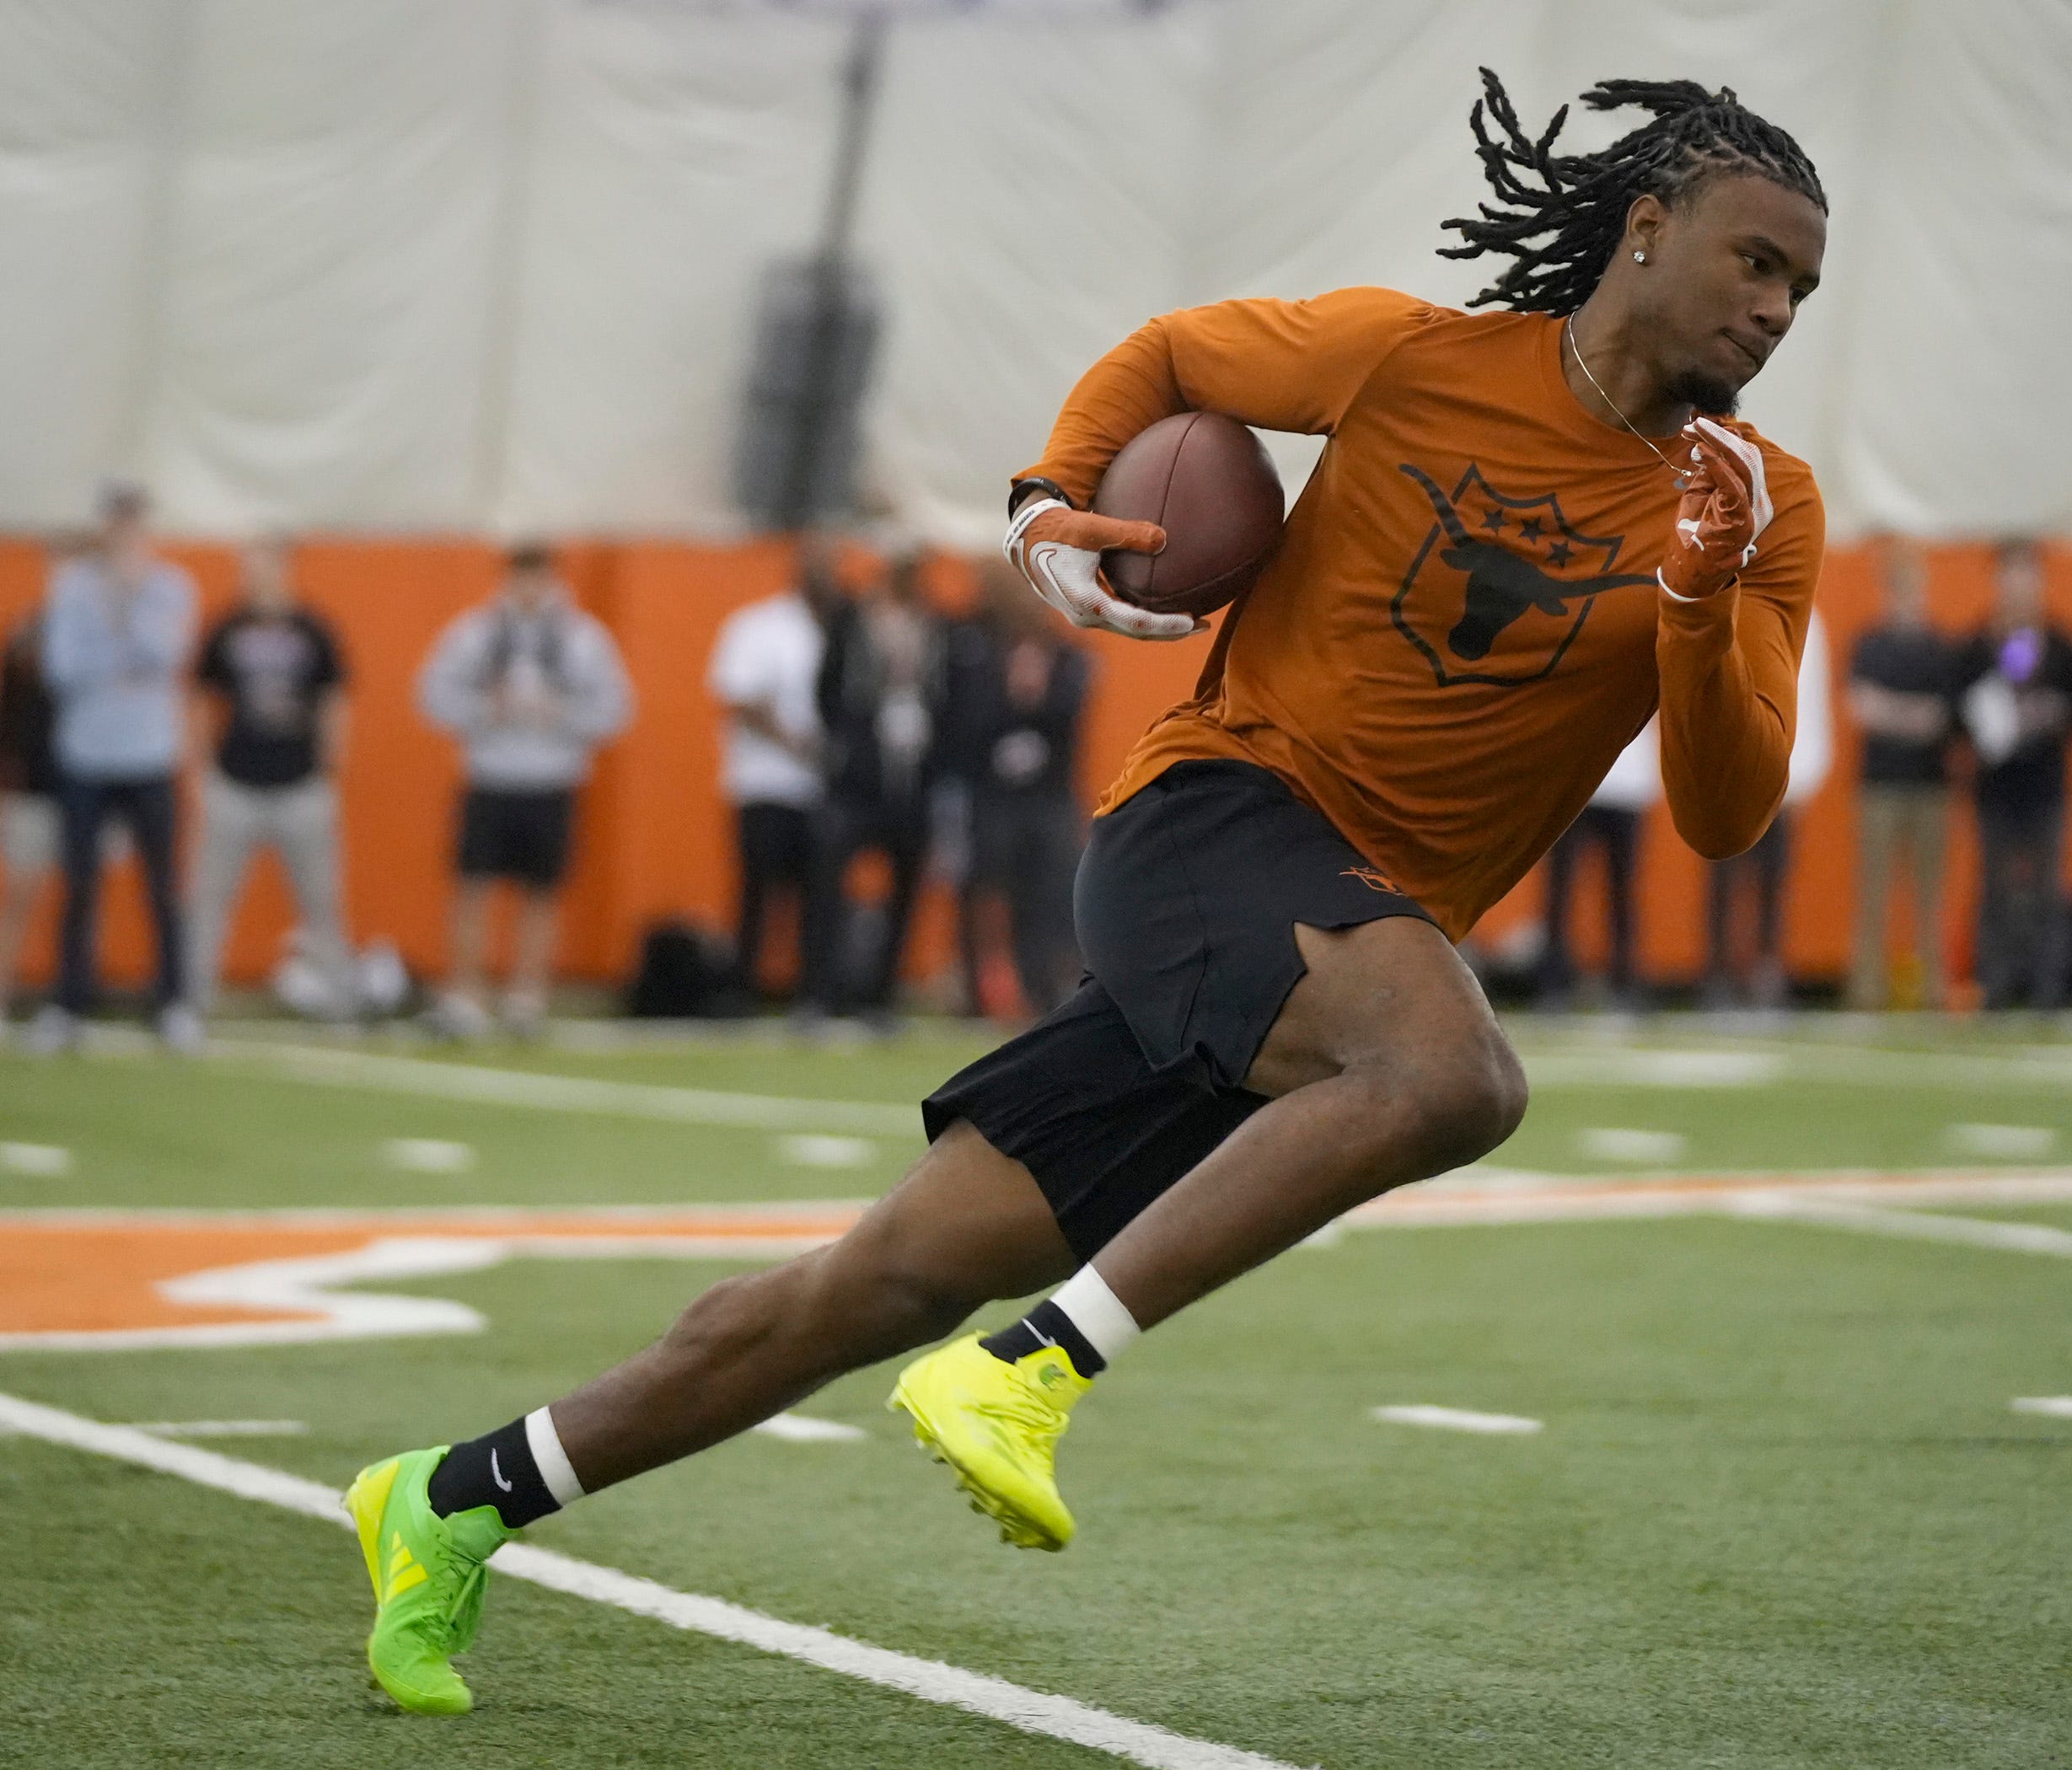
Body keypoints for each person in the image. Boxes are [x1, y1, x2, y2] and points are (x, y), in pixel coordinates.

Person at [347, 69, 1828, 1716]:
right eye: (1755, 261)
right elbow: (1178, 357)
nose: (1775, 309)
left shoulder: (1763, 507)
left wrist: (1702, 597)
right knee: (1452, 1077)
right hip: (1215, 828)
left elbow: (1724, 806)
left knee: (875, 1286)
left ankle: (448, 1498)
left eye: (1801, 290)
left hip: (1316, 954)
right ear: (1645, 228)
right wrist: (1050, 497)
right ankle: (1034, 1373)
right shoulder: (1415, 356)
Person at [417, 544, 632, 1038]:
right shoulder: (478, 633)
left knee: (542, 890)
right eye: (521, 577)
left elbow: (617, 709)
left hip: (552, 778)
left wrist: (562, 715)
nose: (530, 588)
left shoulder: (581, 638)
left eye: (539, 577)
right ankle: (467, 993)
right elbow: (431, 695)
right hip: (490, 775)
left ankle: (526, 994)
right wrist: (484, 709)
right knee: (473, 886)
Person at [29, 484, 198, 1054]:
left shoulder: (171, 586)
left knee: (162, 886)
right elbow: (62, 669)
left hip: (150, 755)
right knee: (79, 883)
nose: (125, 534)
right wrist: (119, 648)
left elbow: (168, 658)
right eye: (116, 524)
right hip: (87, 757)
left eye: (134, 523)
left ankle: (173, 1001)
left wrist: (127, 612)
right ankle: (69, 1002)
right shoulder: (74, 586)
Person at [185, 536, 355, 1018]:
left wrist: (328, 772)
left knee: (322, 900)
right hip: (235, 782)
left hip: (299, 783)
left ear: (284, 568)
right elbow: (201, 700)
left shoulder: (313, 629)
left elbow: (333, 702)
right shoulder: (225, 628)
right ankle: (191, 1000)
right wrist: (200, 773)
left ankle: (338, 1002)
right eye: (249, 567)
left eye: (264, 565)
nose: (255, 576)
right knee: (209, 899)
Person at [947, 557, 1093, 1019]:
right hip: (990, 796)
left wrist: (1037, 695)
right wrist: (1011, 694)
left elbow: (1070, 716)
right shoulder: (974, 649)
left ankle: (1045, 992)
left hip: (1047, 795)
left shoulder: (1066, 655)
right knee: (981, 889)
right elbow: (963, 720)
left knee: (1048, 895)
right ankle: (974, 995)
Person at [1956, 539, 2072, 1011]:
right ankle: (1995, 987)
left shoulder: (2060, 645)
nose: (2018, 588)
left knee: (2048, 892)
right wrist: (1985, 719)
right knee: (1995, 890)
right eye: (2010, 577)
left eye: (2026, 577)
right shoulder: (1980, 644)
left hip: (2045, 786)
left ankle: (2048, 990)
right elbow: (1952, 715)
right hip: (1996, 788)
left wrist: (2054, 711)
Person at [814, 550, 947, 1019]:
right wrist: (846, 746)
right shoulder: (854, 621)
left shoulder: (933, 625)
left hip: (911, 772)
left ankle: (881, 995)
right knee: (832, 880)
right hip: (860, 772)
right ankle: (824, 992)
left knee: (904, 885)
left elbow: (943, 693)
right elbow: (828, 689)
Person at [708, 539, 837, 1009]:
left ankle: (810, 991)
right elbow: (742, 698)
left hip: (823, 788)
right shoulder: (761, 627)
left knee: (819, 895)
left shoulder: (841, 628)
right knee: (758, 890)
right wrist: (799, 744)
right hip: (766, 781)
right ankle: (741, 988)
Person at [1844, 538, 1955, 1010]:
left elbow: (1943, 715)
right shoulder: (1870, 643)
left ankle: (1933, 990)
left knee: (1931, 894)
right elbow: (1861, 707)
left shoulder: (1939, 648)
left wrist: (1893, 713)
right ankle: (1866, 992)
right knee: (1873, 893)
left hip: (1931, 787)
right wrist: (1910, 717)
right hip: (1880, 787)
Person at [1701, 607, 1830, 1007]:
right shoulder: (1728, 604)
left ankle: (1766, 974)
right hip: (1728, 777)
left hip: (1779, 780)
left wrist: (1801, 776)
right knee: (1723, 885)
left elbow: (1810, 703)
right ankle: (1718, 975)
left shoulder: (1808, 618)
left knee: (1772, 886)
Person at [1538, 719, 1657, 1009]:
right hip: (1574, 774)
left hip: (1625, 782)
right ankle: (1553, 983)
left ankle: (1623, 983)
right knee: (1560, 889)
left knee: (1623, 891)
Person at [0, 599, 61, 1027]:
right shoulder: (29, 636)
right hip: (33, 793)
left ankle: (67, 1000)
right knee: (19, 898)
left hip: (87, 791)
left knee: (78, 901)